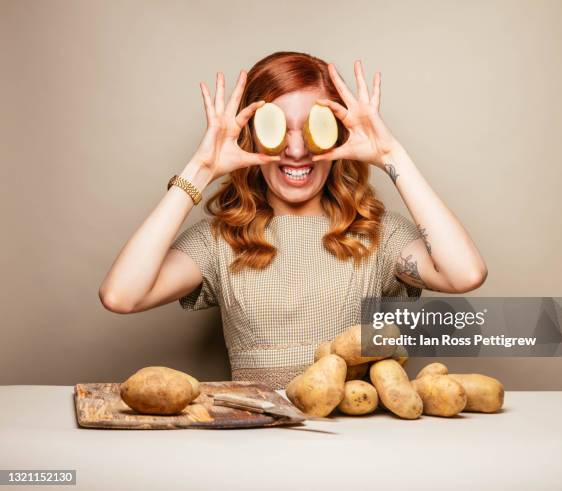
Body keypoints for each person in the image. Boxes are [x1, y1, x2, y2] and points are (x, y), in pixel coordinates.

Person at [99, 51, 487, 389]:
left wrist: (391, 155)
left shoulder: (379, 235)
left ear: (337, 136)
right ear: (251, 137)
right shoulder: (219, 239)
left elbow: (464, 274)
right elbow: (121, 296)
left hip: (359, 446)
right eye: (278, 129)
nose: (297, 151)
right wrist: (200, 168)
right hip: (256, 445)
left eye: (313, 130)